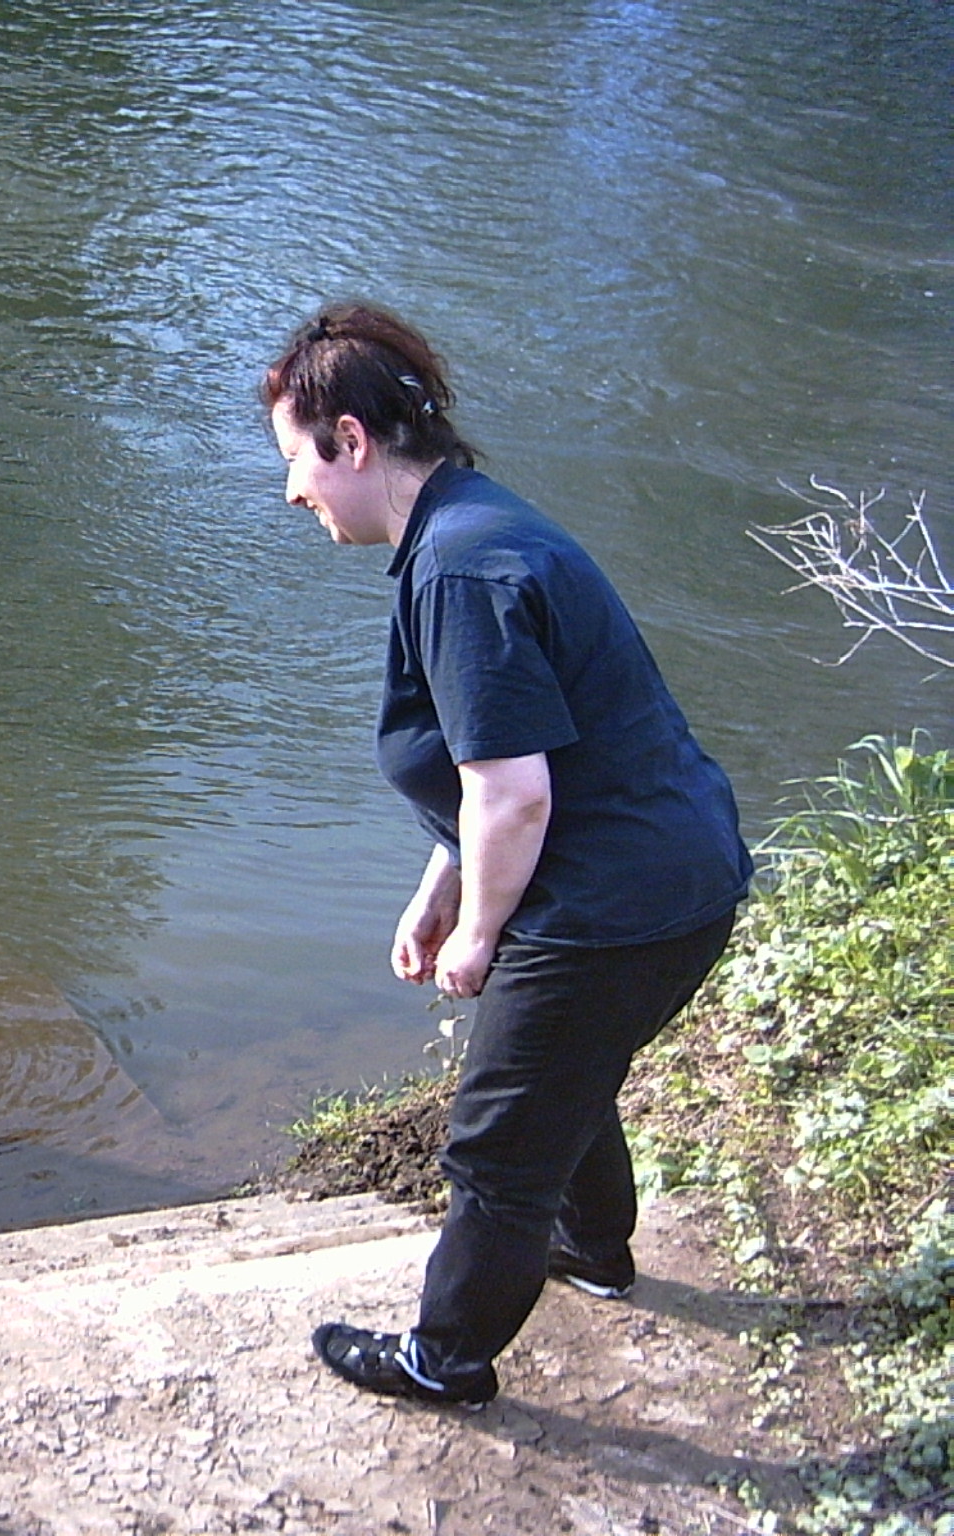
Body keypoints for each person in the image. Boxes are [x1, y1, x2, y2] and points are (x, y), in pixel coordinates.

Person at [262, 301, 753, 1408]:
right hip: (670, 877)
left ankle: (446, 1358)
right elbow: (499, 761)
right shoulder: (471, 527)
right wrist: (442, 883)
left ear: (351, 440)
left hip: (613, 903)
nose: (292, 490)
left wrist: (479, 933)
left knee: (494, 1144)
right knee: (565, 1070)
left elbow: (513, 792)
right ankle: (593, 1248)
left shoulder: (457, 572)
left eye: (296, 459)